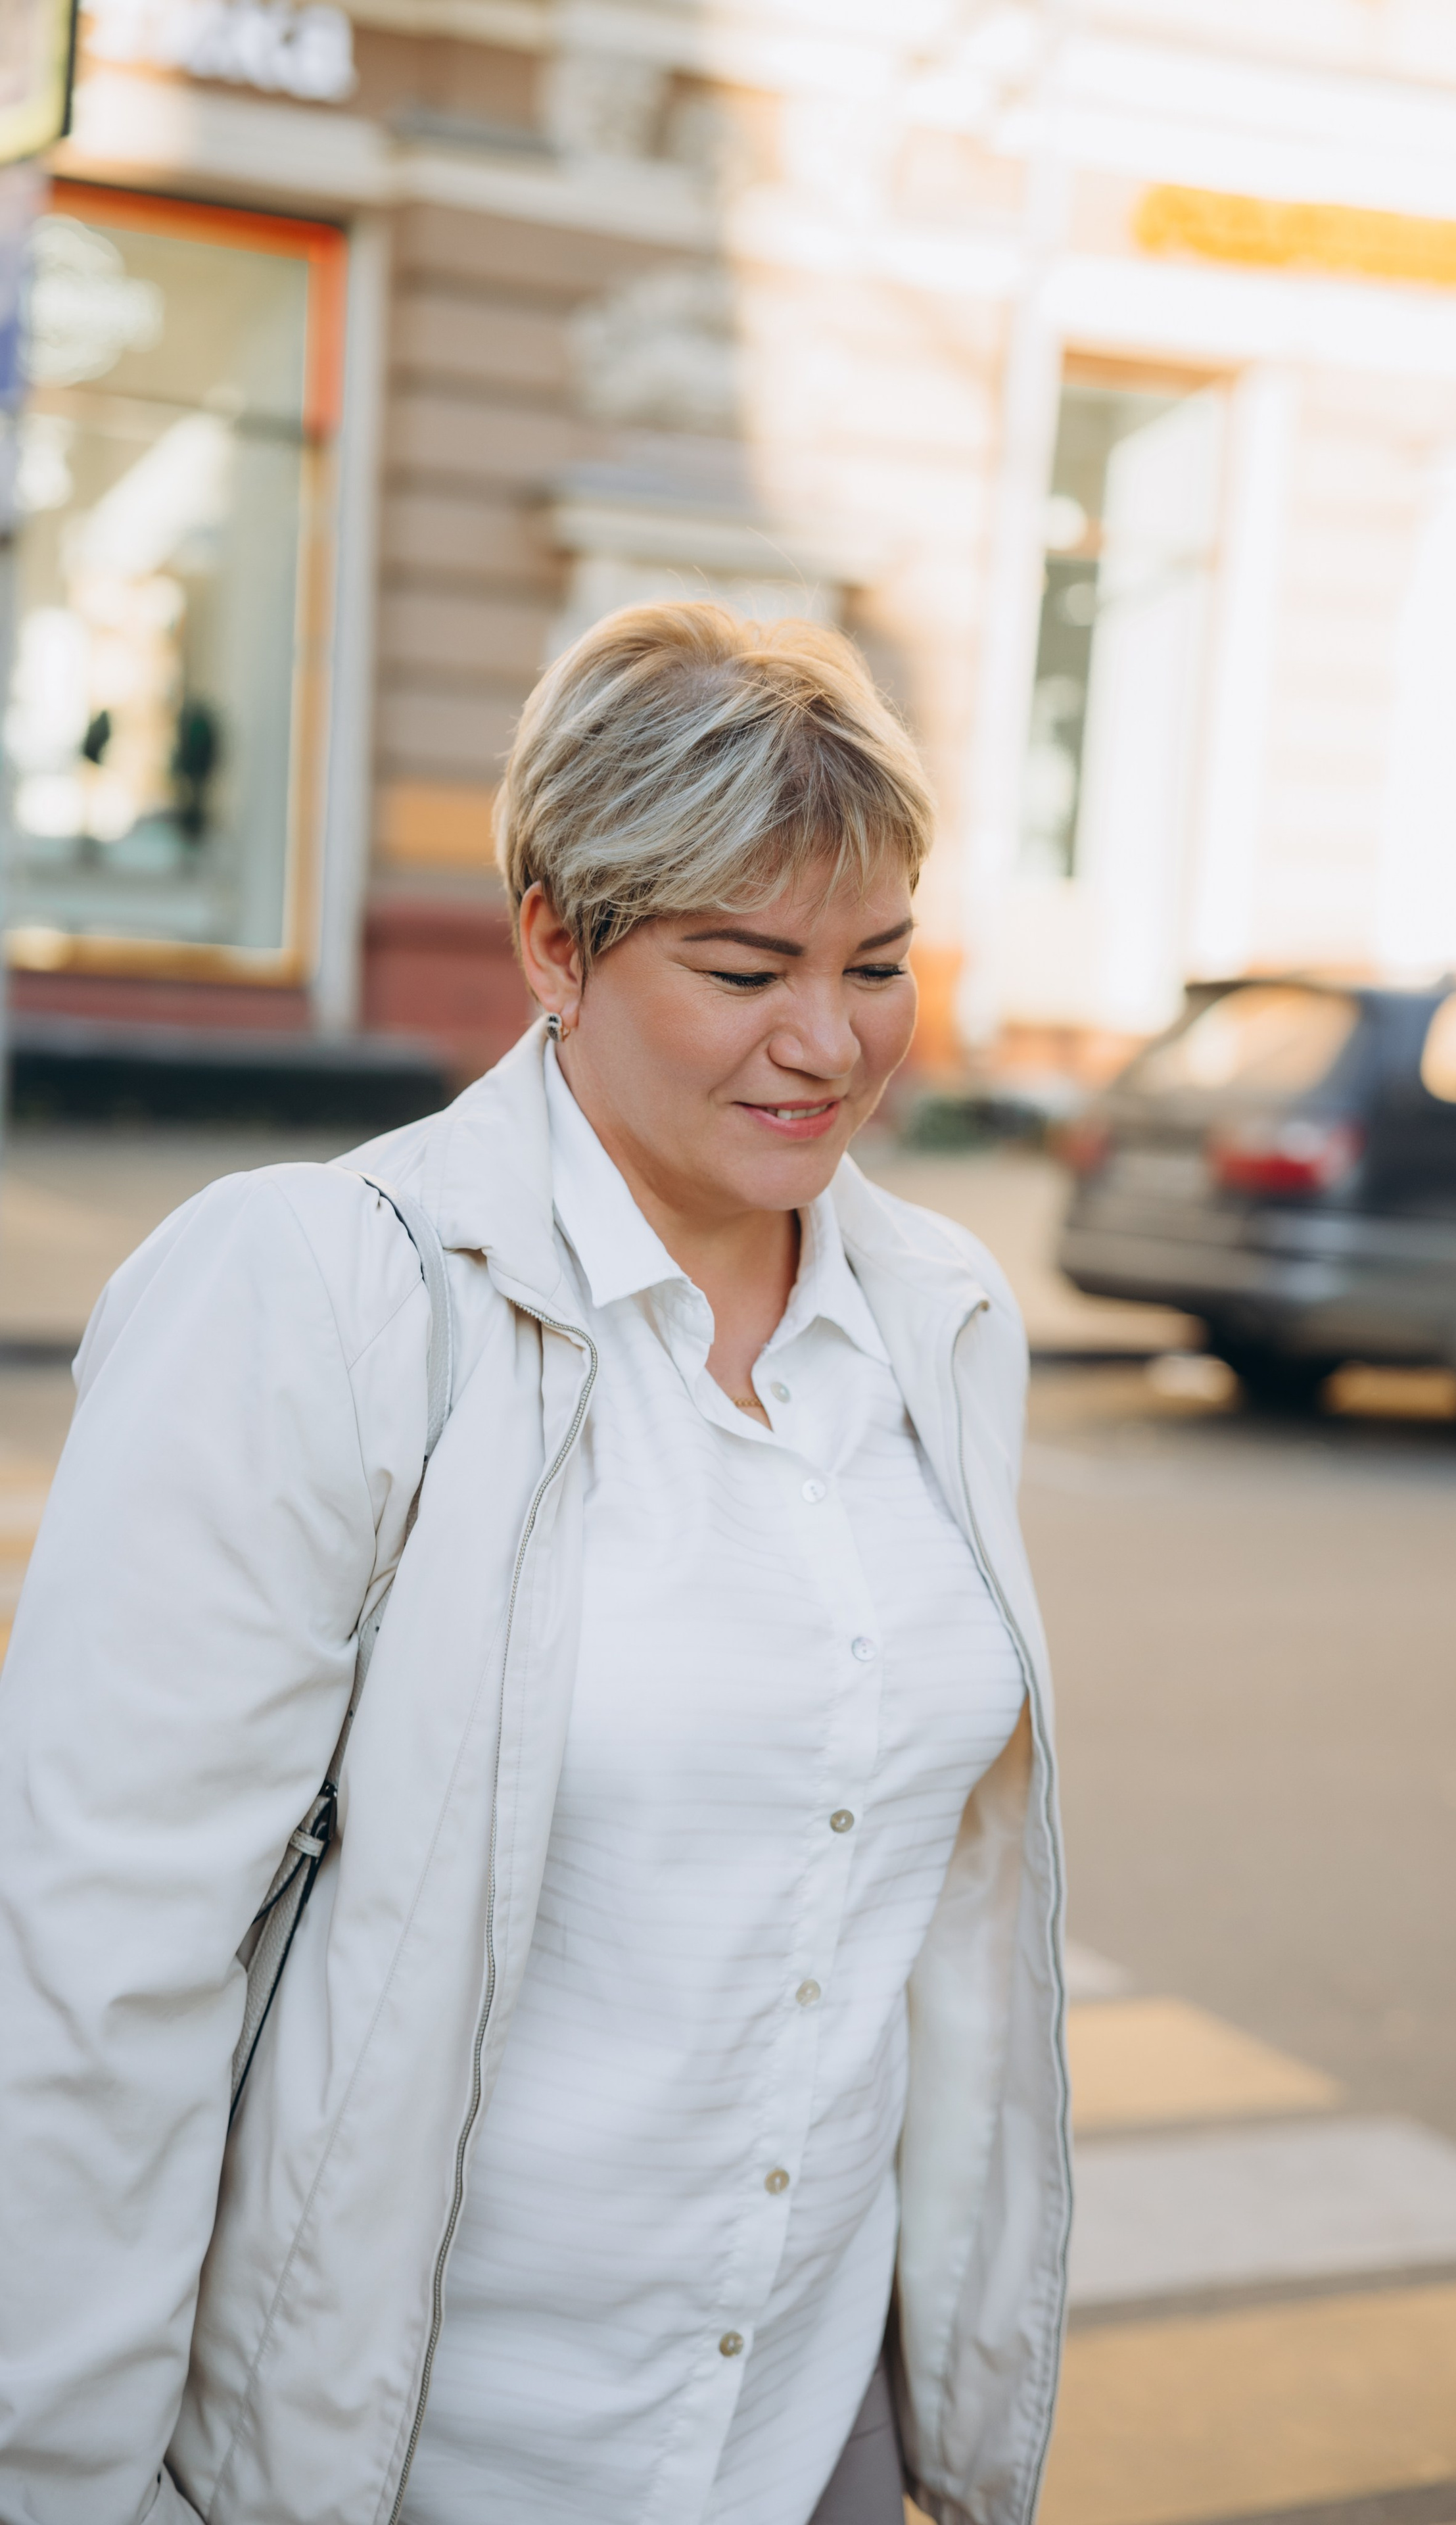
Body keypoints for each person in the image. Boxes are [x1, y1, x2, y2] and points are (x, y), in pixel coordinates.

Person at [0, 604, 1071, 2525]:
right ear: (551, 939)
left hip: (802, 2441)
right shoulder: (328, 1293)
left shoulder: (943, 1313)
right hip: (424, 2463)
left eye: (880, 966)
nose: (829, 1045)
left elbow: (921, 1934)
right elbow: (93, 1979)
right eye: (745, 968)